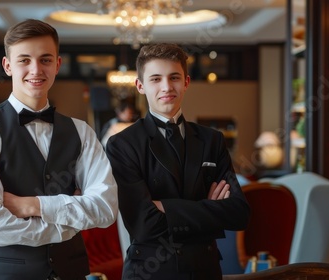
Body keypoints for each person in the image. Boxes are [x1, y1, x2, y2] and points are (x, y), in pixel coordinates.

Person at [0, 19, 118, 280]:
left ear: (57, 65)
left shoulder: (82, 132)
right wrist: (65, 227)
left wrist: (32, 206)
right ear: (8, 66)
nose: (36, 69)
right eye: (24, 60)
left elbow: (105, 209)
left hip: (72, 272)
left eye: (45, 60)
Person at [105, 43, 250, 280]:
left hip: (206, 270)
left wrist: (166, 207)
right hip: (149, 273)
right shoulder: (122, 144)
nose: (166, 87)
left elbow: (238, 213)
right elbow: (143, 224)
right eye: (155, 79)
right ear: (140, 86)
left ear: (186, 82)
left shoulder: (212, 140)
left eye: (174, 77)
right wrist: (209, 209)